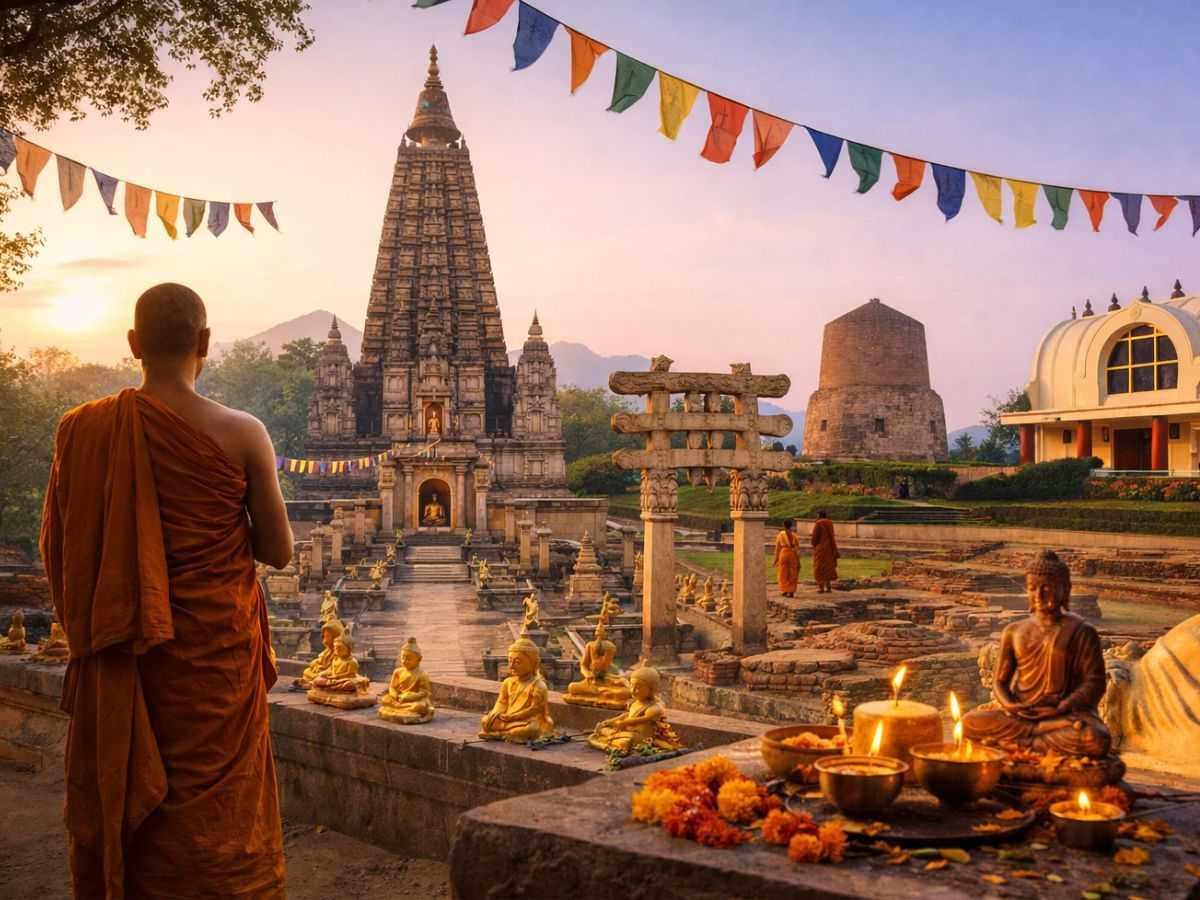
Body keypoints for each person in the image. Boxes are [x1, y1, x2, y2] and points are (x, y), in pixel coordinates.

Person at [40, 283, 294, 898]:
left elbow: (60, 550)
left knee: (135, 816)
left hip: (126, 660)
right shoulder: (243, 432)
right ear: (205, 343)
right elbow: (279, 550)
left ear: (133, 345)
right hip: (213, 671)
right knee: (218, 834)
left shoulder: (81, 430)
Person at [962, 550, 1111, 757]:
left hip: (1065, 715)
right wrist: (1010, 705)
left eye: (1047, 588)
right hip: (1022, 715)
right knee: (969, 723)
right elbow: (999, 682)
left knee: (1096, 738)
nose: (1038, 595)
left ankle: (1018, 746)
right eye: (1032, 588)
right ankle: (1036, 737)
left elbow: (1095, 683)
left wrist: (1062, 707)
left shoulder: (1082, 631)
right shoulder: (1014, 631)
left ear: (1065, 590)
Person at [810, 510, 839, 593]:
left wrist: (814, 545)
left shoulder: (818, 523)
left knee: (819, 568)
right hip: (829, 547)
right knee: (828, 567)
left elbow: (815, 537)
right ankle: (828, 587)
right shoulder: (830, 523)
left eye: (817, 516)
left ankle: (821, 588)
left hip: (821, 548)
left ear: (819, 516)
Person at [772, 519, 800, 597]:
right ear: (791, 526)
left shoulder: (781, 534)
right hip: (793, 554)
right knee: (793, 572)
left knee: (783, 572)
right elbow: (797, 547)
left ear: (783, 525)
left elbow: (777, 548)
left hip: (784, 553)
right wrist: (798, 558)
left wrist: (776, 559)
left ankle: (785, 589)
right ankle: (791, 591)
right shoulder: (794, 535)